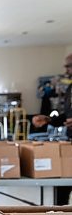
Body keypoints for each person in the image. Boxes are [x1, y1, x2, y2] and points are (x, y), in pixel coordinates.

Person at [32, 53, 72, 205]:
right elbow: (67, 115)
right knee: (62, 187)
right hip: (69, 144)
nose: (65, 69)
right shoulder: (70, 89)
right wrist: (48, 120)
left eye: (69, 65)